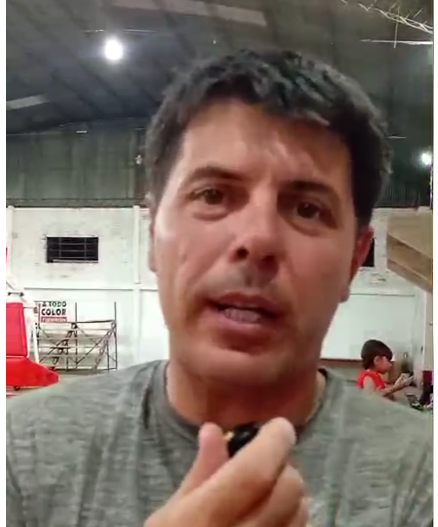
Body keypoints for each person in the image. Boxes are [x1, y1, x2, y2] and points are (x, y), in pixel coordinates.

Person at [7, 49, 432, 527]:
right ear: (152, 234)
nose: (257, 239)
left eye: (307, 209)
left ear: (355, 259)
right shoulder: (21, 454)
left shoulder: (422, 477)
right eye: (213, 195)